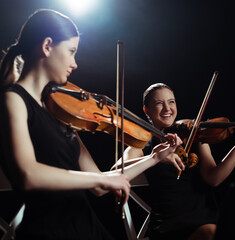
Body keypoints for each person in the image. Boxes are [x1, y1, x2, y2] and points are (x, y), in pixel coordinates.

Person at [0, 9, 181, 239]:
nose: (74, 63)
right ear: (47, 46)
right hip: (49, 230)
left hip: (83, 224)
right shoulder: (13, 100)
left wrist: (155, 157)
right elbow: (28, 175)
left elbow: (98, 183)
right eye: (71, 51)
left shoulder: (57, 110)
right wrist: (99, 180)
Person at [111, 83, 235, 240]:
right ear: (146, 110)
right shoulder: (143, 144)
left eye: (171, 101)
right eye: (159, 103)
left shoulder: (194, 135)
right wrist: (155, 157)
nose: (167, 109)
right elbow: (115, 171)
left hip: (204, 218)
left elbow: (213, 178)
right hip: (169, 225)